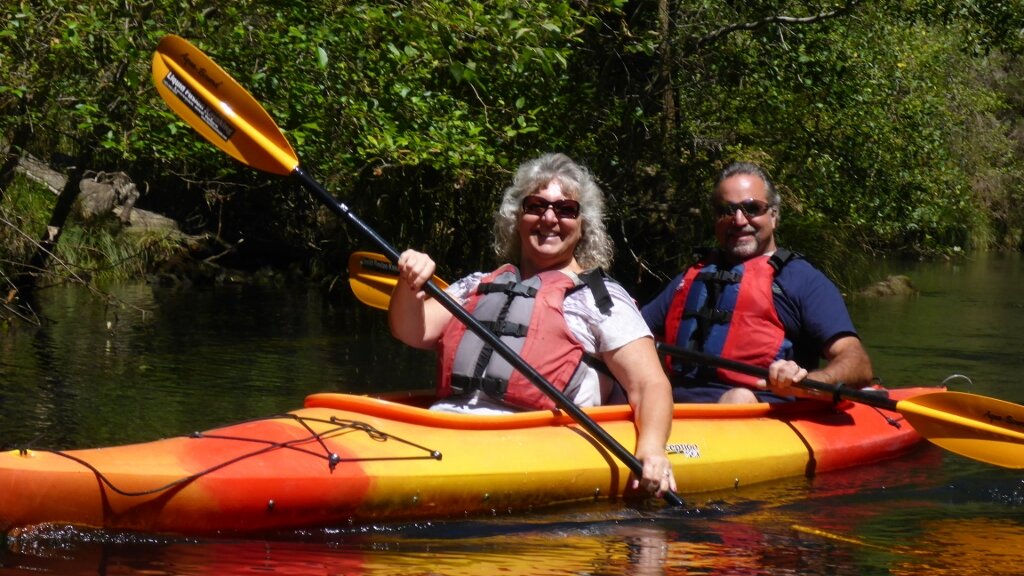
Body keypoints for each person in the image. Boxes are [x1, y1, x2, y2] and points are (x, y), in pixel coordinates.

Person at [389, 152, 676, 496]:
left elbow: (649, 385)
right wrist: (408, 282)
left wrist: (653, 449)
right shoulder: (477, 284)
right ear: (517, 216)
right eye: (536, 206)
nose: (550, 218)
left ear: (583, 224)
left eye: (566, 210)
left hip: (533, 438)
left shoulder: (599, 297)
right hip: (444, 425)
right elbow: (411, 330)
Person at [641, 161, 873, 404]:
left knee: (738, 397)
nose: (739, 220)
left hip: (756, 416)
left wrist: (814, 382)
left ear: (774, 216)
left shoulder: (802, 281)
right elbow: (634, 338)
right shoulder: (692, 276)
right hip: (673, 413)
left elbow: (857, 361)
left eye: (752, 208)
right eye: (726, 210)